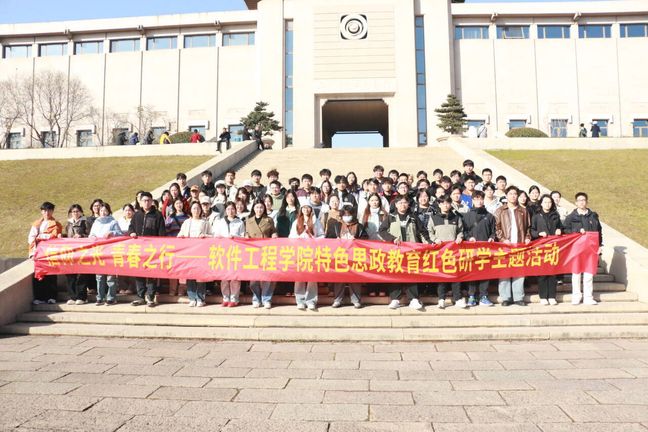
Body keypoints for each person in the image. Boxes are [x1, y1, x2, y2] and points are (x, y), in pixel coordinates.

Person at [378, 196, 425, 310]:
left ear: (408, 204)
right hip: (396, 251)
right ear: (396, 205)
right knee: (395, 273)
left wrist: (429, 243)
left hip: (411, 251)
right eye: (400, 203)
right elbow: (382, 230)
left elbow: (422, 232)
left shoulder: (413, 217)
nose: (403, 205)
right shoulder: (391, 217)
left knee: (412, 273)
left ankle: (414, 299)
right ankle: (395, 299)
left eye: (405, 203)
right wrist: (392, 238)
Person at [563, 192, 603, 306]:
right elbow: (565, 230)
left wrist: (600, 245)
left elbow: (599, 231)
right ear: (576, 203)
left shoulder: (593, 216)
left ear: (587, 202)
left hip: (591, 249)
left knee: (589, 274)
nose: (581, 202)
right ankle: (576, 296)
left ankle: (588, 297)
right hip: (576, 249)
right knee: (576, 274)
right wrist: (576, 231)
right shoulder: (571, 217)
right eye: (579, 200)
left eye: (583, 200)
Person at [325, 203, 367, 308]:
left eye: (349, 215)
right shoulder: (336, 225)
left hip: (354, 255)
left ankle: (356, 300)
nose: (347, 217)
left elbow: (366, 238)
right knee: (339, 277)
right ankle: (337, 299)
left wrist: (357, 240)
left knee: (354, 278)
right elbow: (328, 238)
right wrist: (336, 240)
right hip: (340, 255)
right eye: (345, 215)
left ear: (353, 215)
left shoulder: (359, 226)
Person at [495, 186, 531, 306]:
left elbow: (528, 227)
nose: (513, 196)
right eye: (510, 194)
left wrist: (527, 237)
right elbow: (496, 227)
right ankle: (506, 297)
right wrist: (502, 239)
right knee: (504, 271)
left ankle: (518, 297)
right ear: (506, 196)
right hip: (505, 245)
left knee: (519, 271)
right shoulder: (500, 210)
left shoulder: (523, 211)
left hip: (519, 244)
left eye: (515, 194)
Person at [128, 192, 166, 307]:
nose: (146, 202)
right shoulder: (137, 215)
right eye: (144, 200)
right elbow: (131, 227)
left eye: (148, 200)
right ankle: (140, 296)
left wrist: (160, 247)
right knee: (139, 272)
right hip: (138, 249)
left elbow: (162, 232)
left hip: (152, 249)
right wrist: (131, 232)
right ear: (140, 202)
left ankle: (150, 297)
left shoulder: (157, 215)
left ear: (152, 201)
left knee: (151, 273)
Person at [428, 196, 465, 309]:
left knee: (455, 275)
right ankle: (441, 299)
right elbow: (429, 232)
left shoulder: (456, 217)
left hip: (454, 251)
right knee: (441, 276)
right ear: (439, 205)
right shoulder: (433, 218)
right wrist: (435, 239)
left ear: (450, 204)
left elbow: (461, 231)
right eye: (443, 203)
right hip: (440, 252)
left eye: (447, 203)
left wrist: (459, 237)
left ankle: (457, 298)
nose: (445, 205)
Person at [462, 191, 496, 307]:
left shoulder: (489, 216)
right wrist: (468, 238)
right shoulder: (466, 216)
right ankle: (471, 296)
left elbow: (493, 231)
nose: (479, 201)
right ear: (472, 200)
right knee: (472, 272)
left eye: (481, 199)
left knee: (485, 272)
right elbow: (463, 231)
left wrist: (492, 237)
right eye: (476, 199)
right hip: (471, 250)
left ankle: (483, 296)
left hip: (485, 250)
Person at [289, 204, 324, 310]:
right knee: (299, 276)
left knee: (311, 277)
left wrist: (313, 239)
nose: (306, 209)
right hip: (300, 252)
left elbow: (322, 236)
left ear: (311, 209)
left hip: (312, 252)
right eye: (303, 207)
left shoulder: (316, 221)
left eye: (308, 207)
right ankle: (300, 300)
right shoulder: (296, 222)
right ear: (301, 209)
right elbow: (291, 237)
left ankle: (311, 301)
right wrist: (299, 238)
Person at [178, 201, 212, 307]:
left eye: (198, 208)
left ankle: (200, 298)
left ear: (201, 210)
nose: (196, 210)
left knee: (200, 276)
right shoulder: (187, 222)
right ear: (190, 210)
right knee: (190, 275)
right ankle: (192, 297)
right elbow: (180, 234)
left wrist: (205, 235)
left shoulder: (205, 222)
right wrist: (181, 236)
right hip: (189, 252)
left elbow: (212, 235)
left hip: (201, 252)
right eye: (194, 208)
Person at [531, 194, 563, 306]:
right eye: (545, 202)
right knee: (542, 273)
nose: (547, 204)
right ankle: (543, 296)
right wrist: (539, 233)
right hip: (541, 248)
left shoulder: (555, 215)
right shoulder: (536, 216)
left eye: (549, 202)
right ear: (541, 203)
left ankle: (552, 296)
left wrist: (559, 230)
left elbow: (561, 227)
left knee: (553, 273)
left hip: (553, 247)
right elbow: (532, 231)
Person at [245, 200, 278, 308]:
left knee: (267, 276)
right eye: (257, 207)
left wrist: (274, 235)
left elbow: (273, 231)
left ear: (264, 209)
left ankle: (266, 299)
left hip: (266, 250)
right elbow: (246, 232)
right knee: (254, 277)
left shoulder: (269, 220)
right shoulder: (248, 220)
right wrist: (246, 235)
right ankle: (256, 298)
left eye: (261, 207)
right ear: (253, 208)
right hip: (253, 251)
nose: (259, 209)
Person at [89, 203, 123, 305]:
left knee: (110, 277)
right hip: (99, 252)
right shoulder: (96, 222)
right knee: (99, 277)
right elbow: (91, 234)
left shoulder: (113, 222)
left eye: (105, 210)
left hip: (110, 252)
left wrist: (112, 233)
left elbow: (120, 234)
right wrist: (92, 237)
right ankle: (100, 297)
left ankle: (111, 297)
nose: (103, 213)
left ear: (108, 211)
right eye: (101, 211)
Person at [29, 202, 63, 305]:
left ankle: (52, 296)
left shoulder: (56, 224)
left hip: (51, 252)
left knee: (51, 275)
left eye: (49, 210)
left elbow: (55, 236)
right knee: (39, 275)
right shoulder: (36, 224)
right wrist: (32, 253)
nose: (47, 212)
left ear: (52, 211)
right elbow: (31, 238)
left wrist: (41, 236)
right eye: (44, 210)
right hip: (39, 253)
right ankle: (39, 297)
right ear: (41, 211)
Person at [213, 201, 246, 307]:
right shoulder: (220, 221)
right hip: (223, 251)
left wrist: (235, 237)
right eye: (228, 209)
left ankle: (234, 298)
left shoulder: (239, 222)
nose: (230, 211)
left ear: (235, 210)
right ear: (225, 211)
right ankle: (225, 298)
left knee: (235, 276)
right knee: (224, 276)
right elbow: (215, 235)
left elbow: (243, 237)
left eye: (232, 209)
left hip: (236, 251)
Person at [63, 204, 89, 306]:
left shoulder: (85, 222)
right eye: (73, 212)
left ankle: (82, 297)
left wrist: (81, 235)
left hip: (82, 252)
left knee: (81, 275)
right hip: (70, 252)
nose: (75, 213)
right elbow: (67, 235)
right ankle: (72, 296)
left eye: (77, 211)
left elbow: (90, 235)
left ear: (81, 212)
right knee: (70, 275)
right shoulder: (68, 223)